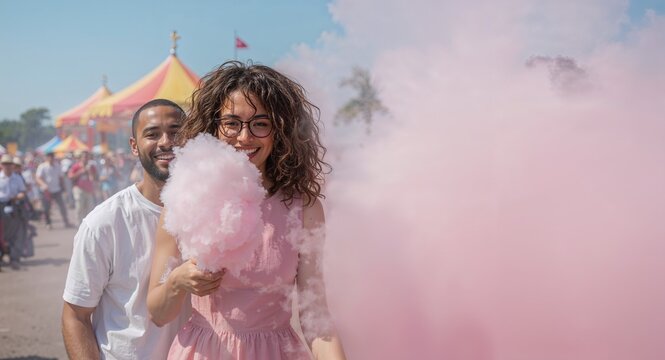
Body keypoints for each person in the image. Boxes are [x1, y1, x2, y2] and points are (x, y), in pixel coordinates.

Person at [147, 61, 347, 359]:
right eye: (232, 122)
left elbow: (316, 318)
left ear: (279, 131)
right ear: (214, 126)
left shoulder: (303, 208)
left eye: (260, 123)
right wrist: (177, 281)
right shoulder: (183, 199)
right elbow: (158, 313)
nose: (244, 137)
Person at [61, 99, 188, 360]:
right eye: (152, 134)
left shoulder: (216, 214)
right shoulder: (104, 223)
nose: (166, 142)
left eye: (176, 132)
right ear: (134, 146)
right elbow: (76, 316)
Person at [0, 154, 27, 270]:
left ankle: (14, 259)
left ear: (13, 165)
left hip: (14, 207)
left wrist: (16, 198)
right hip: (1, 207)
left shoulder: (18, 178)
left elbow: (22, 192)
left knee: (15, 234)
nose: (7, 166)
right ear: (1, 165)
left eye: (9, 164)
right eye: (5, 164)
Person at [35, 151, 73, 229]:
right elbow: (38, 178)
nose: (50, 158)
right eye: (49, 157)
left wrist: (63, 187)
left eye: (52, 157)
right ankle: (48, 223)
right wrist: (43, 184)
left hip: (56, 190)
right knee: (46, 208)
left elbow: (61, 178)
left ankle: (66, 221)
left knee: (62, 207)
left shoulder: (57, 166)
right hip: (46, 191)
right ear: (46, 158)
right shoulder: (42, 167)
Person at [67, 151, 96, 225]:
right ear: (81, 158)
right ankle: (79, 224)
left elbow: (94, 178)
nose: (86, 158)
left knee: (89, 208)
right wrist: (80, 172)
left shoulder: (91, 167)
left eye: (87, 157)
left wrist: (90, 172)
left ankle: (88, 224)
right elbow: (70, 176)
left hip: (89, 190)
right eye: (84, 157)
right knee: (79, 207)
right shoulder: (76, 166)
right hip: (79, 189)